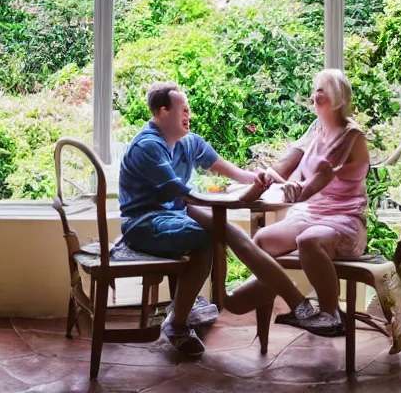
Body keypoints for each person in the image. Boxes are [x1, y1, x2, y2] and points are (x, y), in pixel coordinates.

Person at [118, 81, 326, 358]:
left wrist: (261, 179)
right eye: (183, 109)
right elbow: (181, 193)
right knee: (208, 236)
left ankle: (297, 305)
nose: (188, 115)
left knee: (225, 230)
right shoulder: (148, 146)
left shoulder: (188, 142)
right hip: (144, 222)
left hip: (176, 212)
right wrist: (233, 200)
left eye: (189, 110)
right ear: (162, 112)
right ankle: (179, 323)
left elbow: (234, 172)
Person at [223, 69, 370, 336]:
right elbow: (287, 164)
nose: (315, 95)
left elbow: (319, 179)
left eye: (321, 90)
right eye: (315, 89)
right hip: (312, 214)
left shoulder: (352, 136)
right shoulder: (315, 129)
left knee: (309, 240)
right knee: (262, 240)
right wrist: (267, 176)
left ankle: (330, 315)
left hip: (345, 219)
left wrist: (297, 189)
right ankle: (278, 287)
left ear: (337, 96)